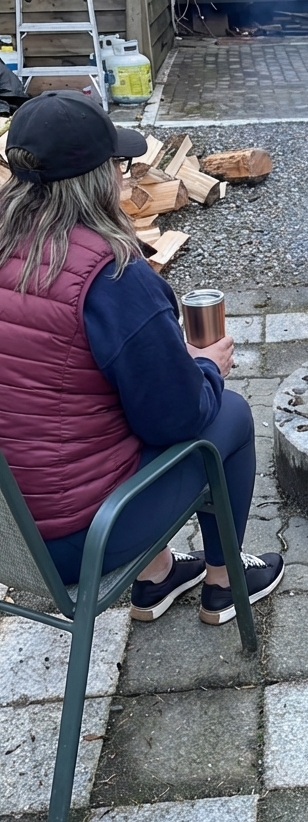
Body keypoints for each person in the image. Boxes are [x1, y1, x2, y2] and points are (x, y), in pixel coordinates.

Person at [0, 91, 283, 624]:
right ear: (96, 178)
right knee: (230, 415)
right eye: (120, 165)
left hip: (8, 534)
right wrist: (204, 368)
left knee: (89, 416)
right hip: (78, 539)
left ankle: (155, 578)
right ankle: (225, 584)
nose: (126, 177)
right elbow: (175, 419)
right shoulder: (111, 276)